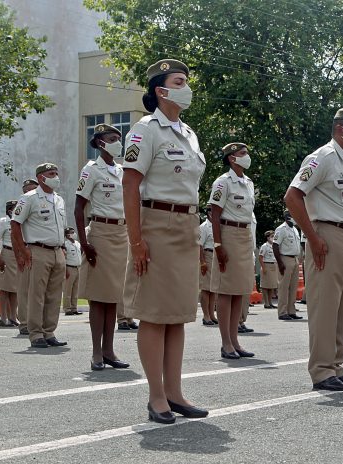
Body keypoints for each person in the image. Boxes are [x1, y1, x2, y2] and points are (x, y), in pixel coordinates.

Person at [122, 58, 208, 423]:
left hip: (186, 224)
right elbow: (130, 185)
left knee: (177, 316)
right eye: (180, 80)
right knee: (155, 316)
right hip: (156, 224)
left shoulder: (188, 133)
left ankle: (175, 393)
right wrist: (137, 241)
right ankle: (156, 396)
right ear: (161, 90)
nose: (187, 86)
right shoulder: (146, 130)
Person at [285, 107, 343, 391]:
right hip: (328, 235)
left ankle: (337, 365)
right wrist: (313, 237)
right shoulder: (322, 157)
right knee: (325, 307)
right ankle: (321, 370)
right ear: (340, 129)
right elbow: (293, 196)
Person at [75, 122, 132, 370]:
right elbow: (79, 208)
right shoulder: (91, 170)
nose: (118, 142)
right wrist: (84, 243)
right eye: (113, 138)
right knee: (99, 298)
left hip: (121, 234)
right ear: (100, 143)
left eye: (119, 138)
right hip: (100, 232)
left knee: (113, 297)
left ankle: (109, 350)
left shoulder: (121, 171)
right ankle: (97, 352)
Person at [11, 163, 68, 348]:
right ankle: (35, 334)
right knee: (37, 294)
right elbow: (15, 224)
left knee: (54, 294)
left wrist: (64, 249)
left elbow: (62, 228)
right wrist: (23, 250)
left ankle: (49, 332)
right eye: (52, 173)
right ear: (41, 177)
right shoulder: (29, 198)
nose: (56, 176)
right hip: (38, 250)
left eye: (57, 173)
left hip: (58, 251)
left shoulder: (59, 199)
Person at [208, 142, 256, 359]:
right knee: (226, 290)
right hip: (227, 234)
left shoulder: (248, 183)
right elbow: (215, 215)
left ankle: (235, 340)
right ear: (231, 158)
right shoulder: (222, 182)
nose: (247, 156)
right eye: (242, 154)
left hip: (245, 235)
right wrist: (218, 245)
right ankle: (225, 343)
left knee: (240, 291)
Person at [17, 180, 39, 336]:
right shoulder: (22, 204)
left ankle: (39, 323)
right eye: (26, 190)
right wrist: (20, 253)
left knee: (39, 291)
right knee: (24, 290)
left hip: (41, 250)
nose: (29, 192)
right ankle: (24, 323)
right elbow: (15, 230)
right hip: (26, 250)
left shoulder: (42, 203)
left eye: (32, 189)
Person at [0, 201, 19, 327]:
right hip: (7, 253)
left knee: (15, 288)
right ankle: (3, 318)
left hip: (18, 255)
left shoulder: (20, 221)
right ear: (9, 210)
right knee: (4, 288)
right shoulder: (3, 222)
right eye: (16, 208)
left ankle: (13, 316)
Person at [273, 210, 302, 321]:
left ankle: (291, 311)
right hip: (285, 259)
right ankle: (282, 312)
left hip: (294, 259)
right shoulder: (281, 229)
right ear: (287, 217)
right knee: (283, 287)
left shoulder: (294, 229)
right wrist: (280, 263)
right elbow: (275, 246)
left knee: (293, 287)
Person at [198, 210, 217, 326]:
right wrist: (202, 262)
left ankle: (212, 314)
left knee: (213, 289)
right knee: (205, 288)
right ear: (209, 212)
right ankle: (206, 316)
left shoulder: (217, 225)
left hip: (215, 256)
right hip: (207, 255)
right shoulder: (204, 227)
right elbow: (199, 245)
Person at [62, 227, 82, 316]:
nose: (74, 234)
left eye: (74, 232)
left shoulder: (77, 243)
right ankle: (67, 308)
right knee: (68, 290)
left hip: (78, 268)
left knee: (75, 290)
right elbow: (64, 259)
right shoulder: (65, 245)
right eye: (72, 232)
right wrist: (65, 270)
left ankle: (74, 308)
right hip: (69, 268)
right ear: (67, 235)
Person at [259, 230, 279, 309]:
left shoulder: (275, 246)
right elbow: (260, 257)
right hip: (266, 264)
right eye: (271, 236)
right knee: (265, 286)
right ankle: (266, 303)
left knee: (272, 285)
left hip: (274, 265)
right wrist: (263, 268)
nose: (273, 238)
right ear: (267, 238)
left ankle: (270, 302)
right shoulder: (264, 246)